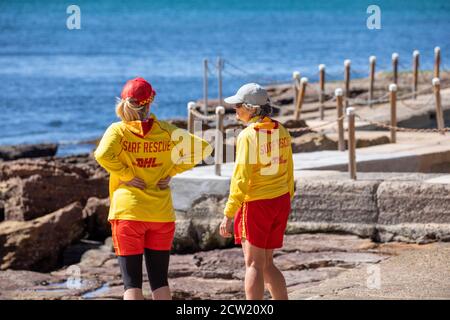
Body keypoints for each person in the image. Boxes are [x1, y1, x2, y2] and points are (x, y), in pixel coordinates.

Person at [95, 77, 212, 300]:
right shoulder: (166, 131)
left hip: (128, 213)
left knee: (131, 285)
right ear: (149, 104)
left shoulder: (118, 131)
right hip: (161, 214)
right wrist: (172, 170)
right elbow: (203, 148)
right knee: (159, 282)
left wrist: (127, 175)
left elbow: (101, 155)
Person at [219, 83, 294, 300]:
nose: (236, 110)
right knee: (267, 263)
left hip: (257, 203)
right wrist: (287, 195)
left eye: (238, 106)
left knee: (253, 264)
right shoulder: (280, 129)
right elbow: (289, 167)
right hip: (280, 200)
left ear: (252, 108)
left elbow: (241, 177)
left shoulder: (248, 136)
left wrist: (228, 213)